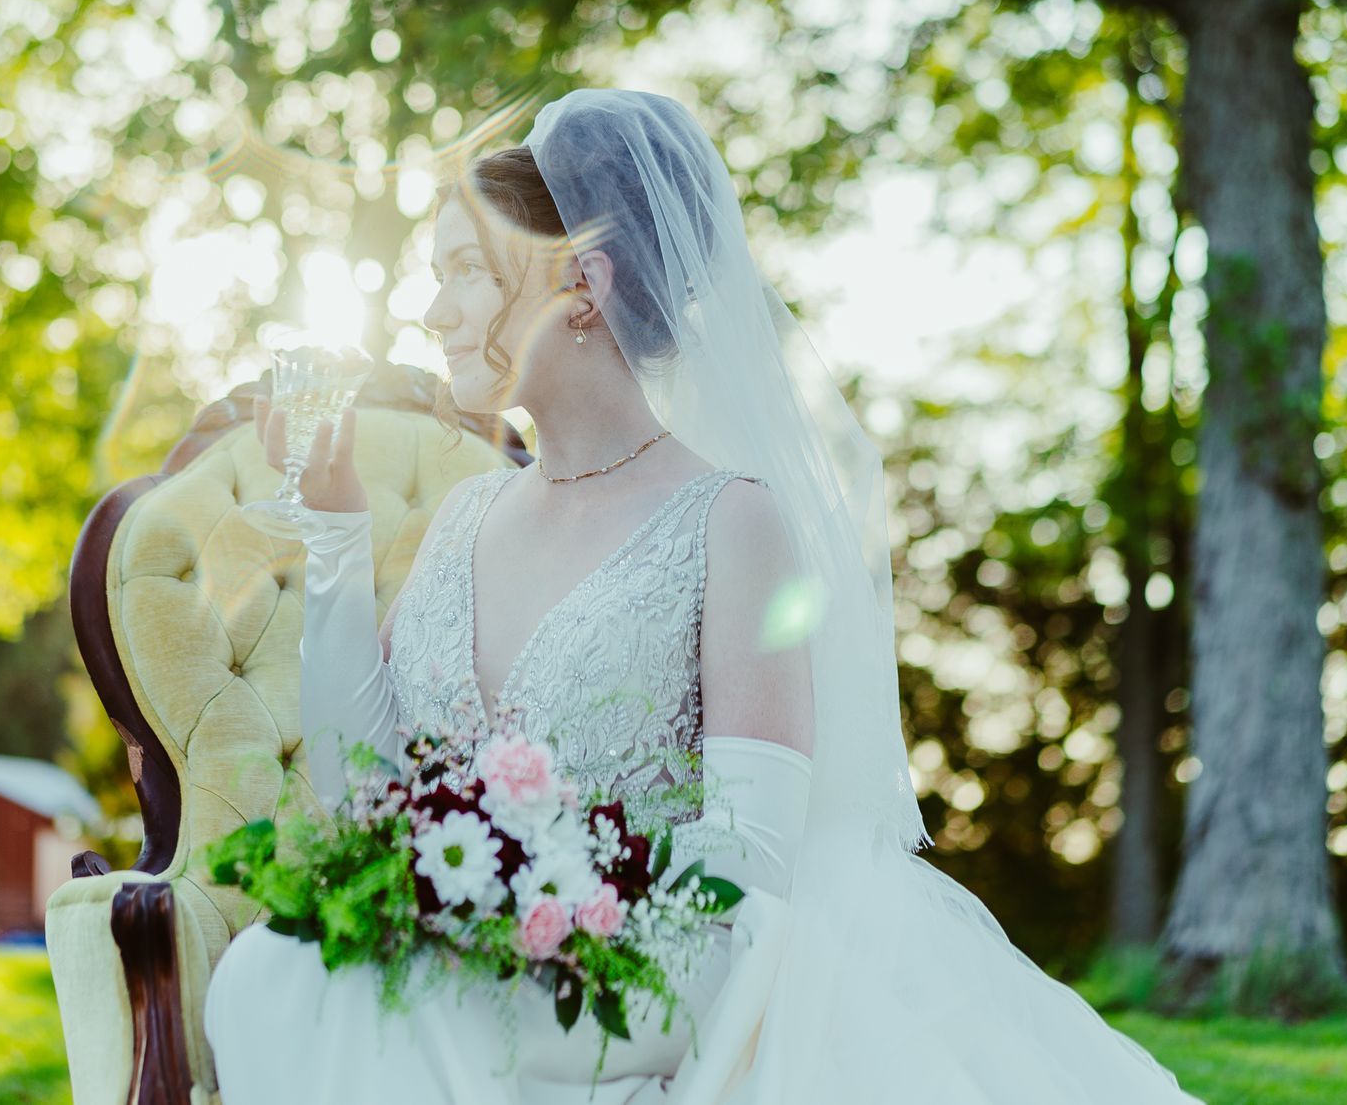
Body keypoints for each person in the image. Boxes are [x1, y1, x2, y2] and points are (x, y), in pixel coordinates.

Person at [202, 89, 1205, 1104]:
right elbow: (353, 786)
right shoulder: (464, 516)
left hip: (657, 964)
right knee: (264, 974)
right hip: (463, 943)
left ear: (582, 287)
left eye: (467, 270)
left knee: (385, 1004)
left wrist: (553, 922)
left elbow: (747, 864)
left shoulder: (733, 523)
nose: (433, 310)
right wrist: (336, 529)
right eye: (436, 276)